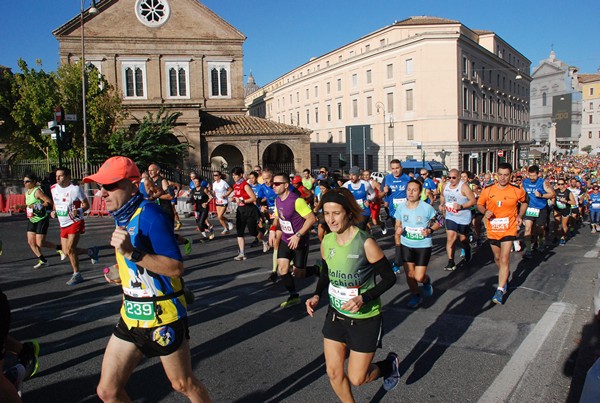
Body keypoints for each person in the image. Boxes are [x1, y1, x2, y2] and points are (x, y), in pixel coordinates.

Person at [82, 156, 211, 403]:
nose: (101, 193)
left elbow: (175, 268)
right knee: (107, 391)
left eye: (109, 186)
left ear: (132, 184)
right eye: (100, 187)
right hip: (131, 315)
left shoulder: (151, 215)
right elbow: (140, 264)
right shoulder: (121, 216)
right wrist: (124, 273)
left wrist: (132, 253)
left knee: (182, 383)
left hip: (163, 316)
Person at [305, 188, 399, 400]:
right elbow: (326, 273)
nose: (330, 219)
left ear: (348, 213)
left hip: (365, 319)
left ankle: (387, 366)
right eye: (326, 214)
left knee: (358, 378)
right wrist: (317, 295)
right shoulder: (327, 241)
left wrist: (363, 298)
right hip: (336, 315)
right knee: (333, 372)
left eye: (336, 213)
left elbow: (389, 278)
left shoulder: (365, 243)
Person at [477, 163, 527, 305]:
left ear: (510, 175)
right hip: (493, 229)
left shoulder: (517, 190)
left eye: (506, 175)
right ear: (496, 175)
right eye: (501, 174)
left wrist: (520, 216)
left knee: (505, 258)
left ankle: (499, 290)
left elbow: (524, 202)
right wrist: (484, 211)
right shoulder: (488, 190)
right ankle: (504, 276)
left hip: (509, 228)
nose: (503, 178)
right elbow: (479, 204)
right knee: (497, 258)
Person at [268, 173, 318, 307]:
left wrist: (298, 235)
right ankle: (293, 295)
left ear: (286, 185)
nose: (274, 186)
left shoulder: (297, 200)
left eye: (277, 184)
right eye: (273, 183)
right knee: (282, 269)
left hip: (300, 241)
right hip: (285, 239)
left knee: (298, 273)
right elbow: (278, 217)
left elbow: (312, 218)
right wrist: (272, 230)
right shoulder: (277, 200)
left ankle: (318, 269)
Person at [394, 180, 441, 308]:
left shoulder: (426, 208)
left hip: (423, 245)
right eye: (409, 189)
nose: (411, 192)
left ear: (420, 193)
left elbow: (440, 220)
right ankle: (416, 295)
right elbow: (397, 225)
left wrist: (430, 230)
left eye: (414, 190)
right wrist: (398, 230)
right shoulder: (401, 207)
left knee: (418, 277)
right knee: (410, 274)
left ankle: (426, 281)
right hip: (406, 244)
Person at [50, 167, 97, 285]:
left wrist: (80, 210)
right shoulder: (53, 188)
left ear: (67, 177)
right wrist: (53, 211)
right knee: (66, 251)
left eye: (60, 176)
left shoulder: (75, 189)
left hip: (74, 221)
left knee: (71, 249)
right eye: (56, 176)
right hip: (63, 223)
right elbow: (56, 203)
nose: (57, 178)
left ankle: (77, 274)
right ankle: (90, 251)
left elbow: (86, 204)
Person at [147, 164, 192, 255]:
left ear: (157, 171)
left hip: (165, 211)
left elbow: (170, 196)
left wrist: (156, 196)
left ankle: (184, 242)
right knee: (155, 233)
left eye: (152, 170)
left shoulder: (163, 181)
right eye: (149, 170)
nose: (150, 172)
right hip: (155, 212)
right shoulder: (149, 181)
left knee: (168, 235)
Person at [23, 173, 64, 269]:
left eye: (27, 181)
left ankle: (59, 248)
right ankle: (42, 260)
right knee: (31, 242)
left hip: (41, 219)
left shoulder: (37, 191)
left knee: (40, 243)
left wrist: (36, 206)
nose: (25, 183)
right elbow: (28, 205)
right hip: (32, 219)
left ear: (33, 182)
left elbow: (49, 202)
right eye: (24, 182)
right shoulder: (27, 192)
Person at [439, 169, 476, 271]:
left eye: (454, 178)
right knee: (451, 237)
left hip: (463, 217)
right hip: (451, 216)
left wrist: (462, 206)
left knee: (463, 239)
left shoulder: (463, 187)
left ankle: (467, 249)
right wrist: (442, 204)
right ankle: (451, 261)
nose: (451, 180)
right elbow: (442, 196)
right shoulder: (446, 186)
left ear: (459, 177)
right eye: (449, 177)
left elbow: (473, 200)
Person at [380, 159, 411, 272]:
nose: (395, 170)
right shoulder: (387, 178)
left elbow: (415, 192)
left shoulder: (407, 179)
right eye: (393, 168)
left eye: (397, 168)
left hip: (407, 211)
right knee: (398, 233)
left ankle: (398, 261)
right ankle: (401, 257)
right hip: (394, 212)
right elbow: (380, 194)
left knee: (400, 234)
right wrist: (384, 193)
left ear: (401, 167)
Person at [521, 165, 555, 258]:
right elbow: (521, 193)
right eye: (530, 176)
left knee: (540, 229)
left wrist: (541, 195)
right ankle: (528, 250)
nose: (532, 178)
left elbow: (552, 194)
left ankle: (540, 243)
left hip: (541, 208)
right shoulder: (525, 182)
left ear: (538, 174)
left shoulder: (543, 182)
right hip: (530, 208)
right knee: (528, 229)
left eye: (534, 176)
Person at [230, 167, 260, 260]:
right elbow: (237, 196)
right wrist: (234, 199)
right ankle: (242, 253)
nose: (234, 177)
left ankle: (264, 240)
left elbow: (253, 198)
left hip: (250, 210)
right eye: (233, 175)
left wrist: (243, 200)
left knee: (252, 231)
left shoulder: (245, 185)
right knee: (240, 232)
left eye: (236, 175)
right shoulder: (235, 186)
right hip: (241, 210)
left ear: (241, 175)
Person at [342, 166, 375, 231]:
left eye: (353, 175)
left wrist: (368, 200)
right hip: (353, 212)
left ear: (358, 176)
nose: (351, 177)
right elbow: (341, 195)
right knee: (354, 229)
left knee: (359, 228)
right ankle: (368, 235)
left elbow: (373, 194)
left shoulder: (365, 184)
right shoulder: (346, 185)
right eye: (350, 175)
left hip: (364, 211)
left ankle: (366, 236)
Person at [552, 179, 576, 245]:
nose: (560, 186)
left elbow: (574, 202)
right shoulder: (555, 191)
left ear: (565, 184)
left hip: (566, 209)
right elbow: (552, 198)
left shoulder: (568, 192)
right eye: (559, 184)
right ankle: (555, 236)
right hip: (557, 209)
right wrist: (552, 201)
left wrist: (565, 201)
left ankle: (563, 237)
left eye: (562, 184)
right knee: (556, 223)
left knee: (564, 224)